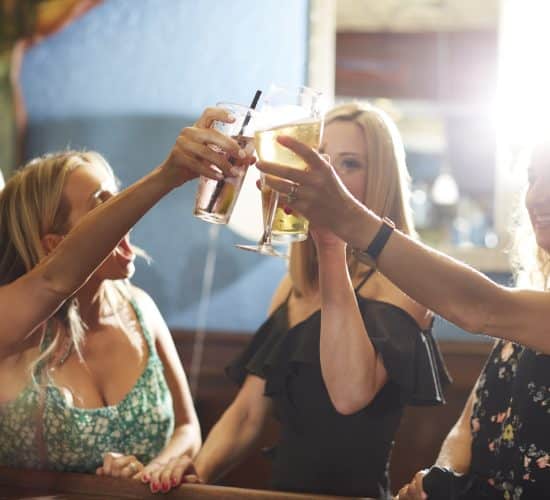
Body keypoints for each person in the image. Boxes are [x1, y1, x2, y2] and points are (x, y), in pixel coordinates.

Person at [153, 103, 451, 498]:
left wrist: (332, 241)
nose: (326, 175)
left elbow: (349, 395)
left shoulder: (403, 285)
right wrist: (196, 471)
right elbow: (246, 415)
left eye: (349, 164)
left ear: (381, 179)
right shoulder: (292, 288)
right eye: (320, 159)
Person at [255, 125, 550, 499]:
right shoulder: (533, 303)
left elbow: (480, 307)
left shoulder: (511, 311)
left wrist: (349, 218)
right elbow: (466, 429)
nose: (537, 196)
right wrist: (438, 480)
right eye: (532, 178)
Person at [0, 108, 254, 494]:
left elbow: (187, 427)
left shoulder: (140, 309)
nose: (126, 216)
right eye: (104, 204)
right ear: (55, 245)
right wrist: (168, 174)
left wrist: (155, 471)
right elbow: (55, 279)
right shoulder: (17, 329)